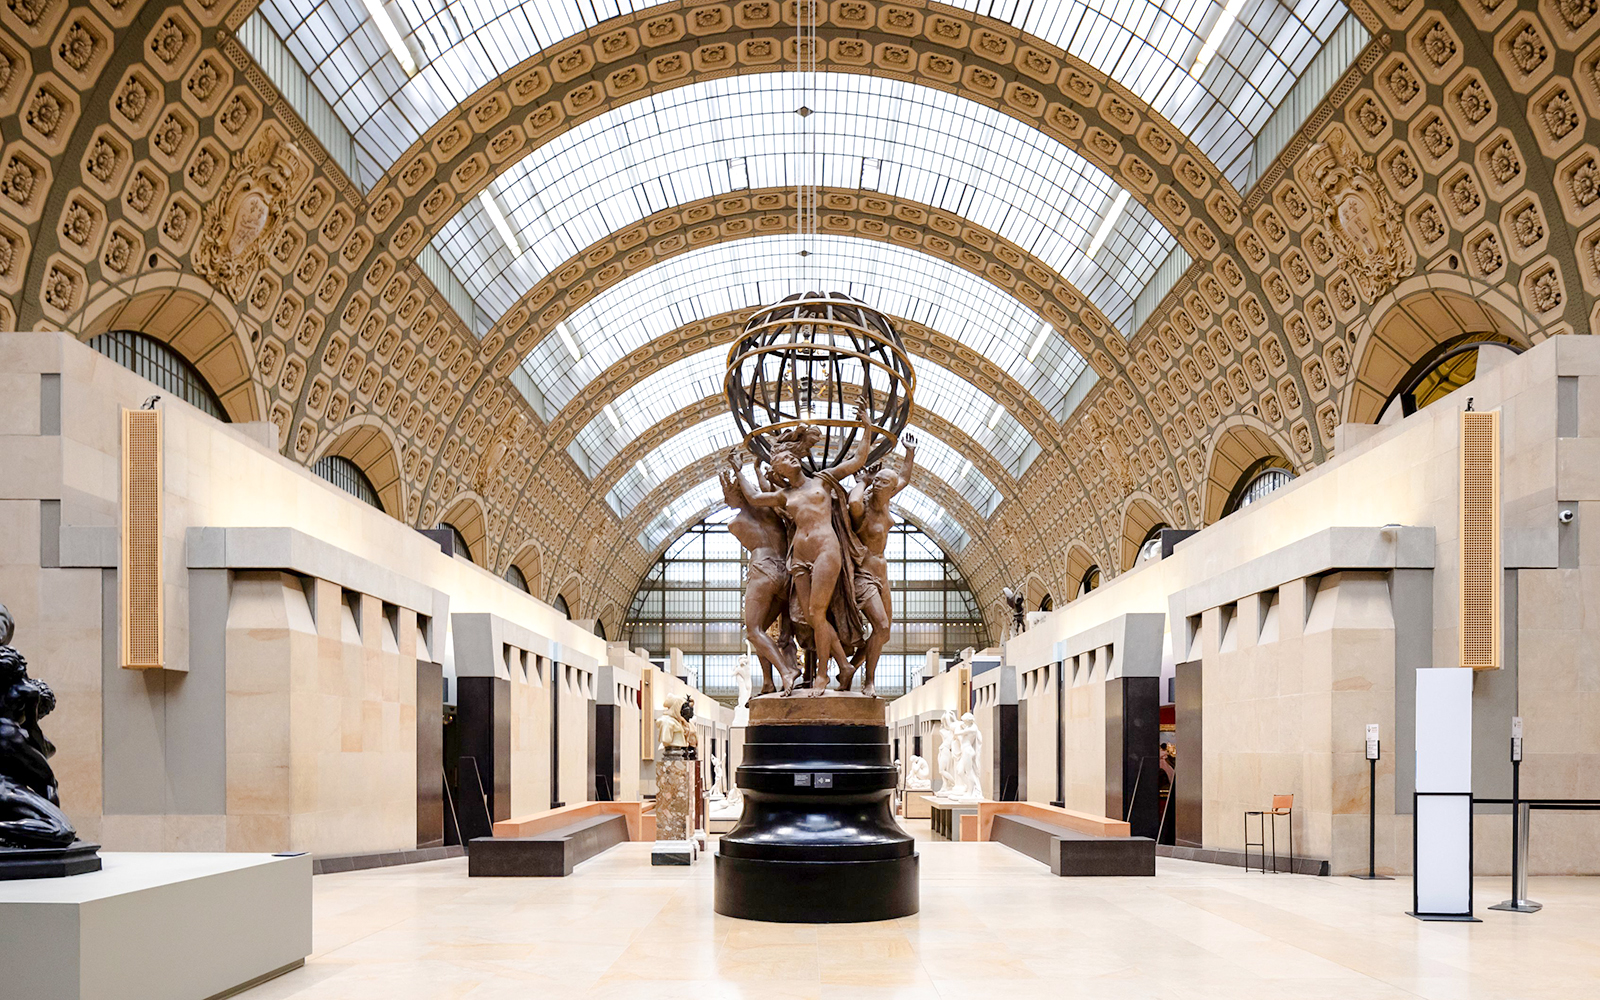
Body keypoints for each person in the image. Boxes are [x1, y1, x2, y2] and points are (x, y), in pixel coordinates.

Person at [743, 422, 872, 693]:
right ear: (779, 471)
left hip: (826, 550)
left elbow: (858, 460)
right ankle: (844, 666)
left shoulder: (823, 480)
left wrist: (867, 427)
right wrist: (740, 470)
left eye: (791, 456)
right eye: (783, 460)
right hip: (799, 557)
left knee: (817, 612)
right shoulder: (784, 495)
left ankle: (823, 674)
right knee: (812, 618)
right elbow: (754, 497)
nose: (790, 459)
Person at [846, 432, 916, 697]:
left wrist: (909, 453)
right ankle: (869, 681)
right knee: (882, 627)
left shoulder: (886, 500)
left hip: (882, 575)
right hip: (863, 575)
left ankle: (850, 669)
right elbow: (853, 501)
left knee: (884, 634)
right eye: (877, 482)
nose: (879, 486)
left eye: (884, 483)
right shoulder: (862, 507)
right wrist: (862, 482)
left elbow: (904, 478)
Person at [720, 453, 797, 694]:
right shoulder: (771, 510)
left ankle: (786, 672)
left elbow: (752, 494)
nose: (726, 499)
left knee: (753, 631)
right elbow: (760, 492)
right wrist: (752, 472)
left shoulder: (735, 523)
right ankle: (767, 682)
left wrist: (740, 472)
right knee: (761, 630)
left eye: (728, 493)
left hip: (763, 570)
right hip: (786, 573)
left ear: (738, 493)